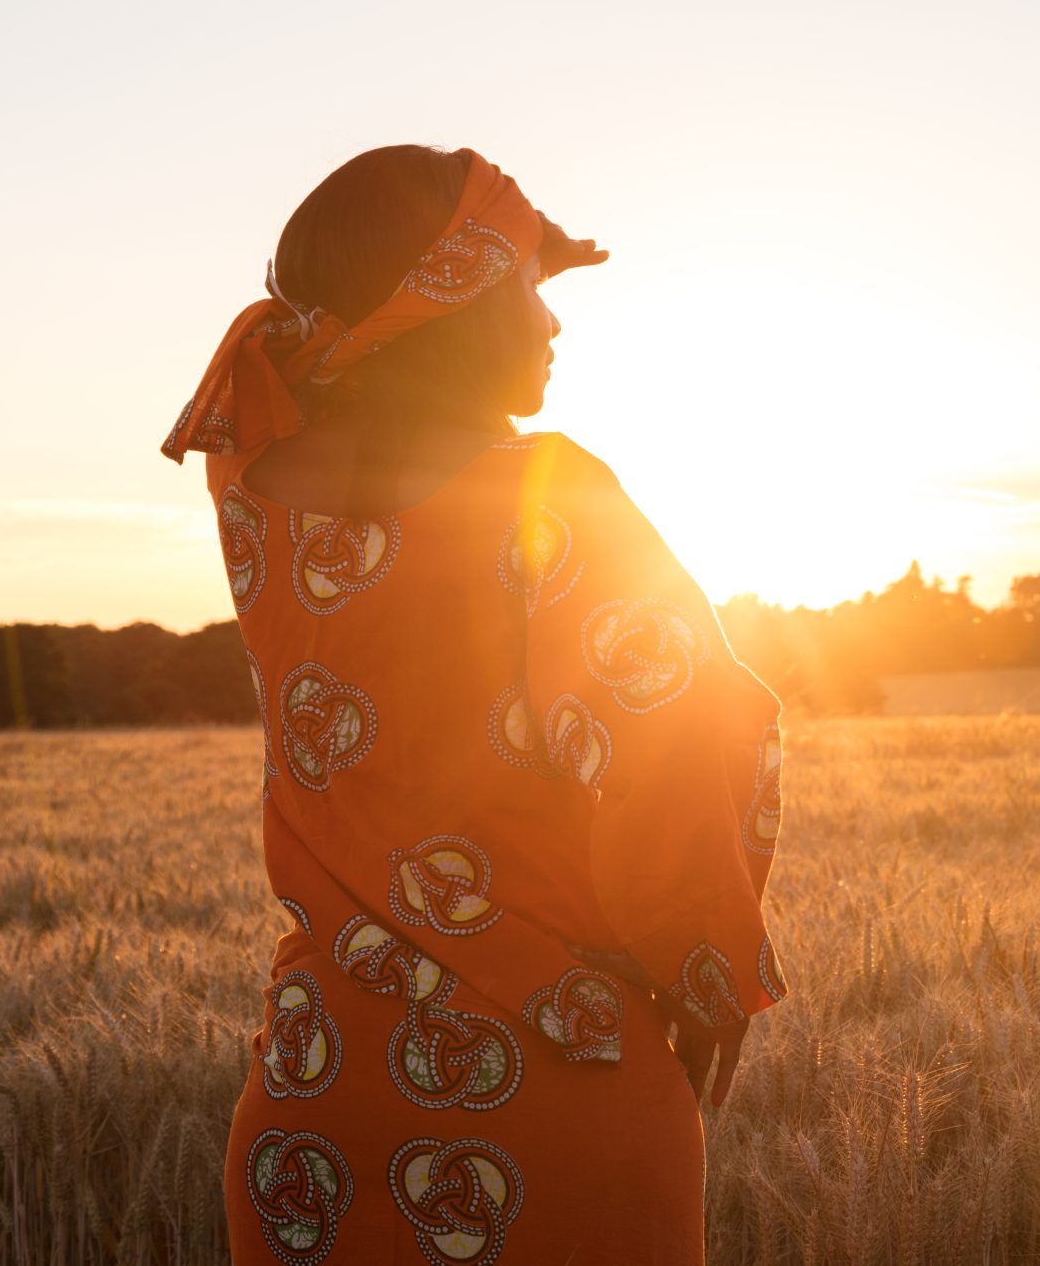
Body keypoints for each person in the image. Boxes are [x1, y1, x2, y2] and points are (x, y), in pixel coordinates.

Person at [161, 144, 790, 1264]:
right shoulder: (553, 498)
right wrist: (711, 975)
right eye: (525, 290)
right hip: (557, 1089)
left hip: (312, 1110)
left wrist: (508, 255)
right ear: (447, 301)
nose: (551, 325)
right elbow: (689, 743)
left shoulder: (249, 489)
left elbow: (345, 355)